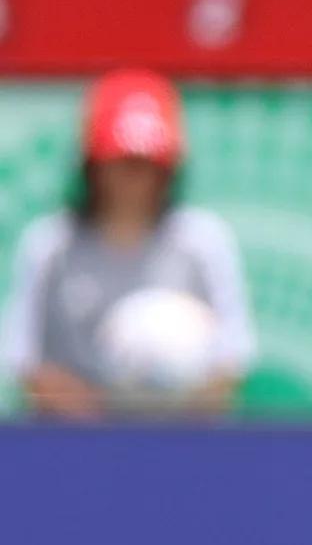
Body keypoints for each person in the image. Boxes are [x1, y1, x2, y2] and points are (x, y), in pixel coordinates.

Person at [1, 70, 255, 417]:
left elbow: (229, 363)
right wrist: (108, 423)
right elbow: (28, 363)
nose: (134, 177)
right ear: (92, 165)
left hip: (183, 448)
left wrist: (169, 413)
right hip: (72, 448)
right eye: (122, 162)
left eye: (147, 163)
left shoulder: (204, 242)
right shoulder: (50, 244)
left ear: (170, 169)